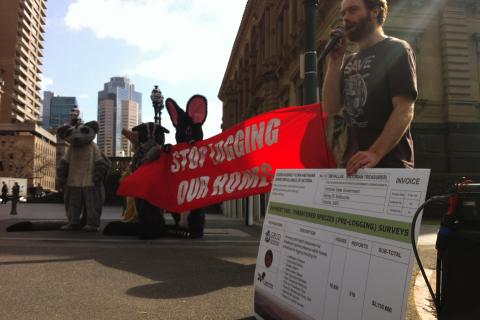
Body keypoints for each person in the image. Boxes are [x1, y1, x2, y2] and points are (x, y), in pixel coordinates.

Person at [322, 0, 417, 175]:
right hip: (354, 163)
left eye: (353, 10)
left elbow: (404, 109)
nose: (346, 18)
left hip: (389, 164)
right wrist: (335, 63)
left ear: (375, 11)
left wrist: (375, 153)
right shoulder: (349, 60)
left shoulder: (396, 49)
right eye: (343, 14)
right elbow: (331, 107)